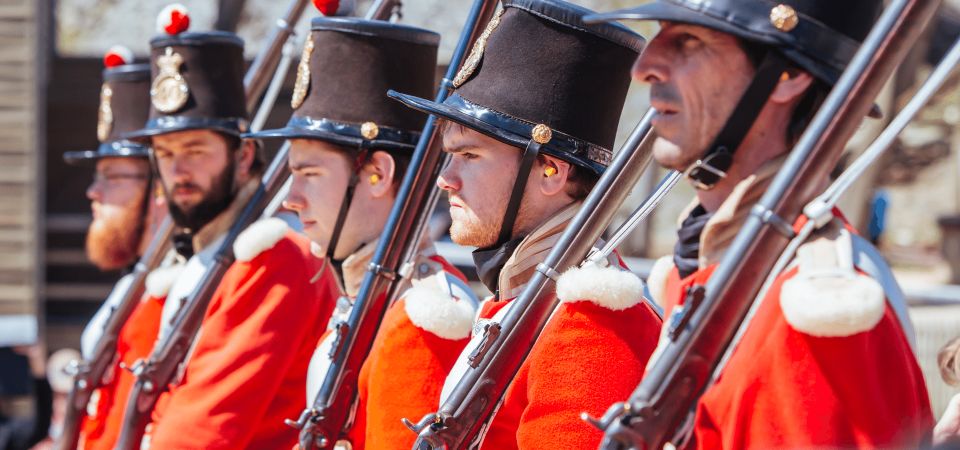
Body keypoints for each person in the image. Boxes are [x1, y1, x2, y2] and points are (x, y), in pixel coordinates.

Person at [589, 0, 933, 447]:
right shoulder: (697, 271)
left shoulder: (816, 309)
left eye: (689, 41)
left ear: (788, 77)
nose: (645, 66)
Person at [390, 0, 662, 447]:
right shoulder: (524, 299)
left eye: (470, 155)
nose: (445, 179)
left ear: (550, 171)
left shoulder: (587, 322)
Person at [248, 18, 478, 450]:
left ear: (377, 173)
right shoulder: (366, 294)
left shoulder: (424, 316)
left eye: (309, 174)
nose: (290, 199)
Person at [118, 18, 339, 450]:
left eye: (196, 150)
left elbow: (203, 434)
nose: (178, 170)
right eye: (165, 153)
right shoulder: (203, 258)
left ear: (244, 157)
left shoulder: (274, 259)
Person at [59, 50, 168, 450]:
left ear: (157, 187)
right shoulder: (137, 279)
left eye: (110, 176)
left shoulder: (174, 286)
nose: (93, 192)